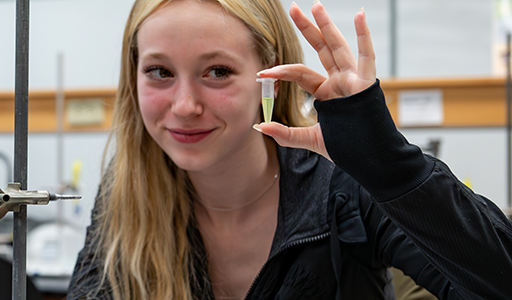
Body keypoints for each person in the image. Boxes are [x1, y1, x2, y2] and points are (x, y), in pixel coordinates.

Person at [67, 0, 512, 299]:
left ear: (272, 80)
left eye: (218, 71)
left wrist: (390, 166)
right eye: (160, 71)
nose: (185, 106)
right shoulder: (128, 193)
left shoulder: (343, 188)